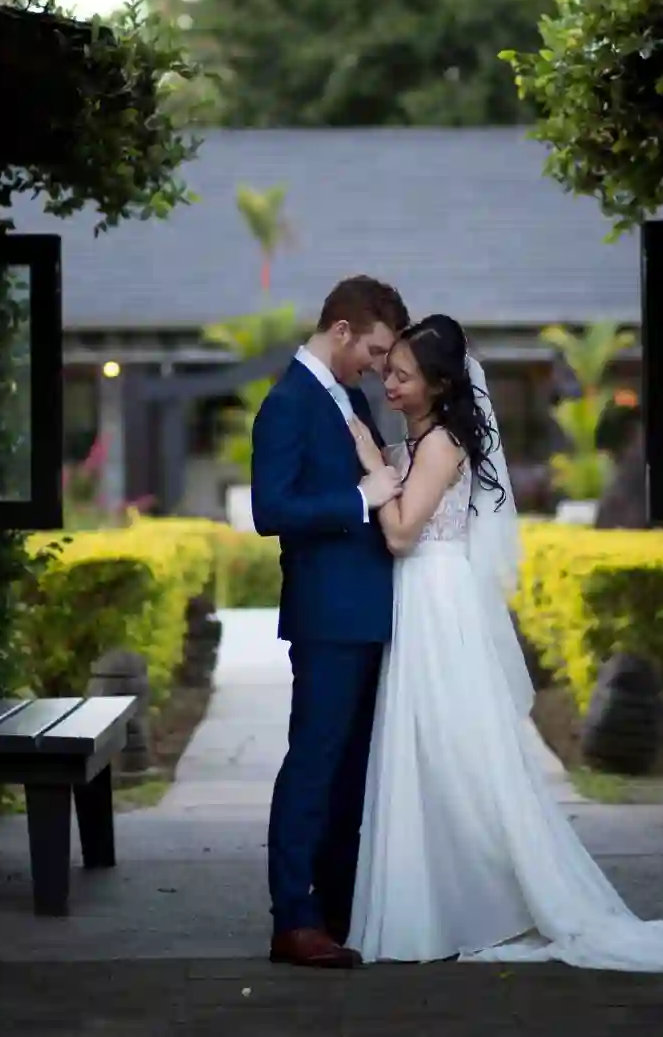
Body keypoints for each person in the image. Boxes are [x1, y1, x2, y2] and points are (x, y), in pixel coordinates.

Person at [340, 313, 663, 974]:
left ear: (439, 385)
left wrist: (372, 477)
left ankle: (477, 898)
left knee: (456, 749)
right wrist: (385, 467)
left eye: (404, 374)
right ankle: (438, 900)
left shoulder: (440, 443)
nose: (390, 381)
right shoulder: (417, 440)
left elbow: (404, 533)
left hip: (436, 597)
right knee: (428, 751)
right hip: (419, 599)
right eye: (391, 370)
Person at [250, 275, 411, 969]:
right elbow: (269, 509)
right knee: (313, 767)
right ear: (340, 329)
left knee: (351, 773)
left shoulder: (344, 395)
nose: (377, 364)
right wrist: (360, 495)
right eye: (374, 349)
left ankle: (341, 912)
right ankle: (293, 918)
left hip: (365, 611)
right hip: (326, 616)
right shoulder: (288, 401)